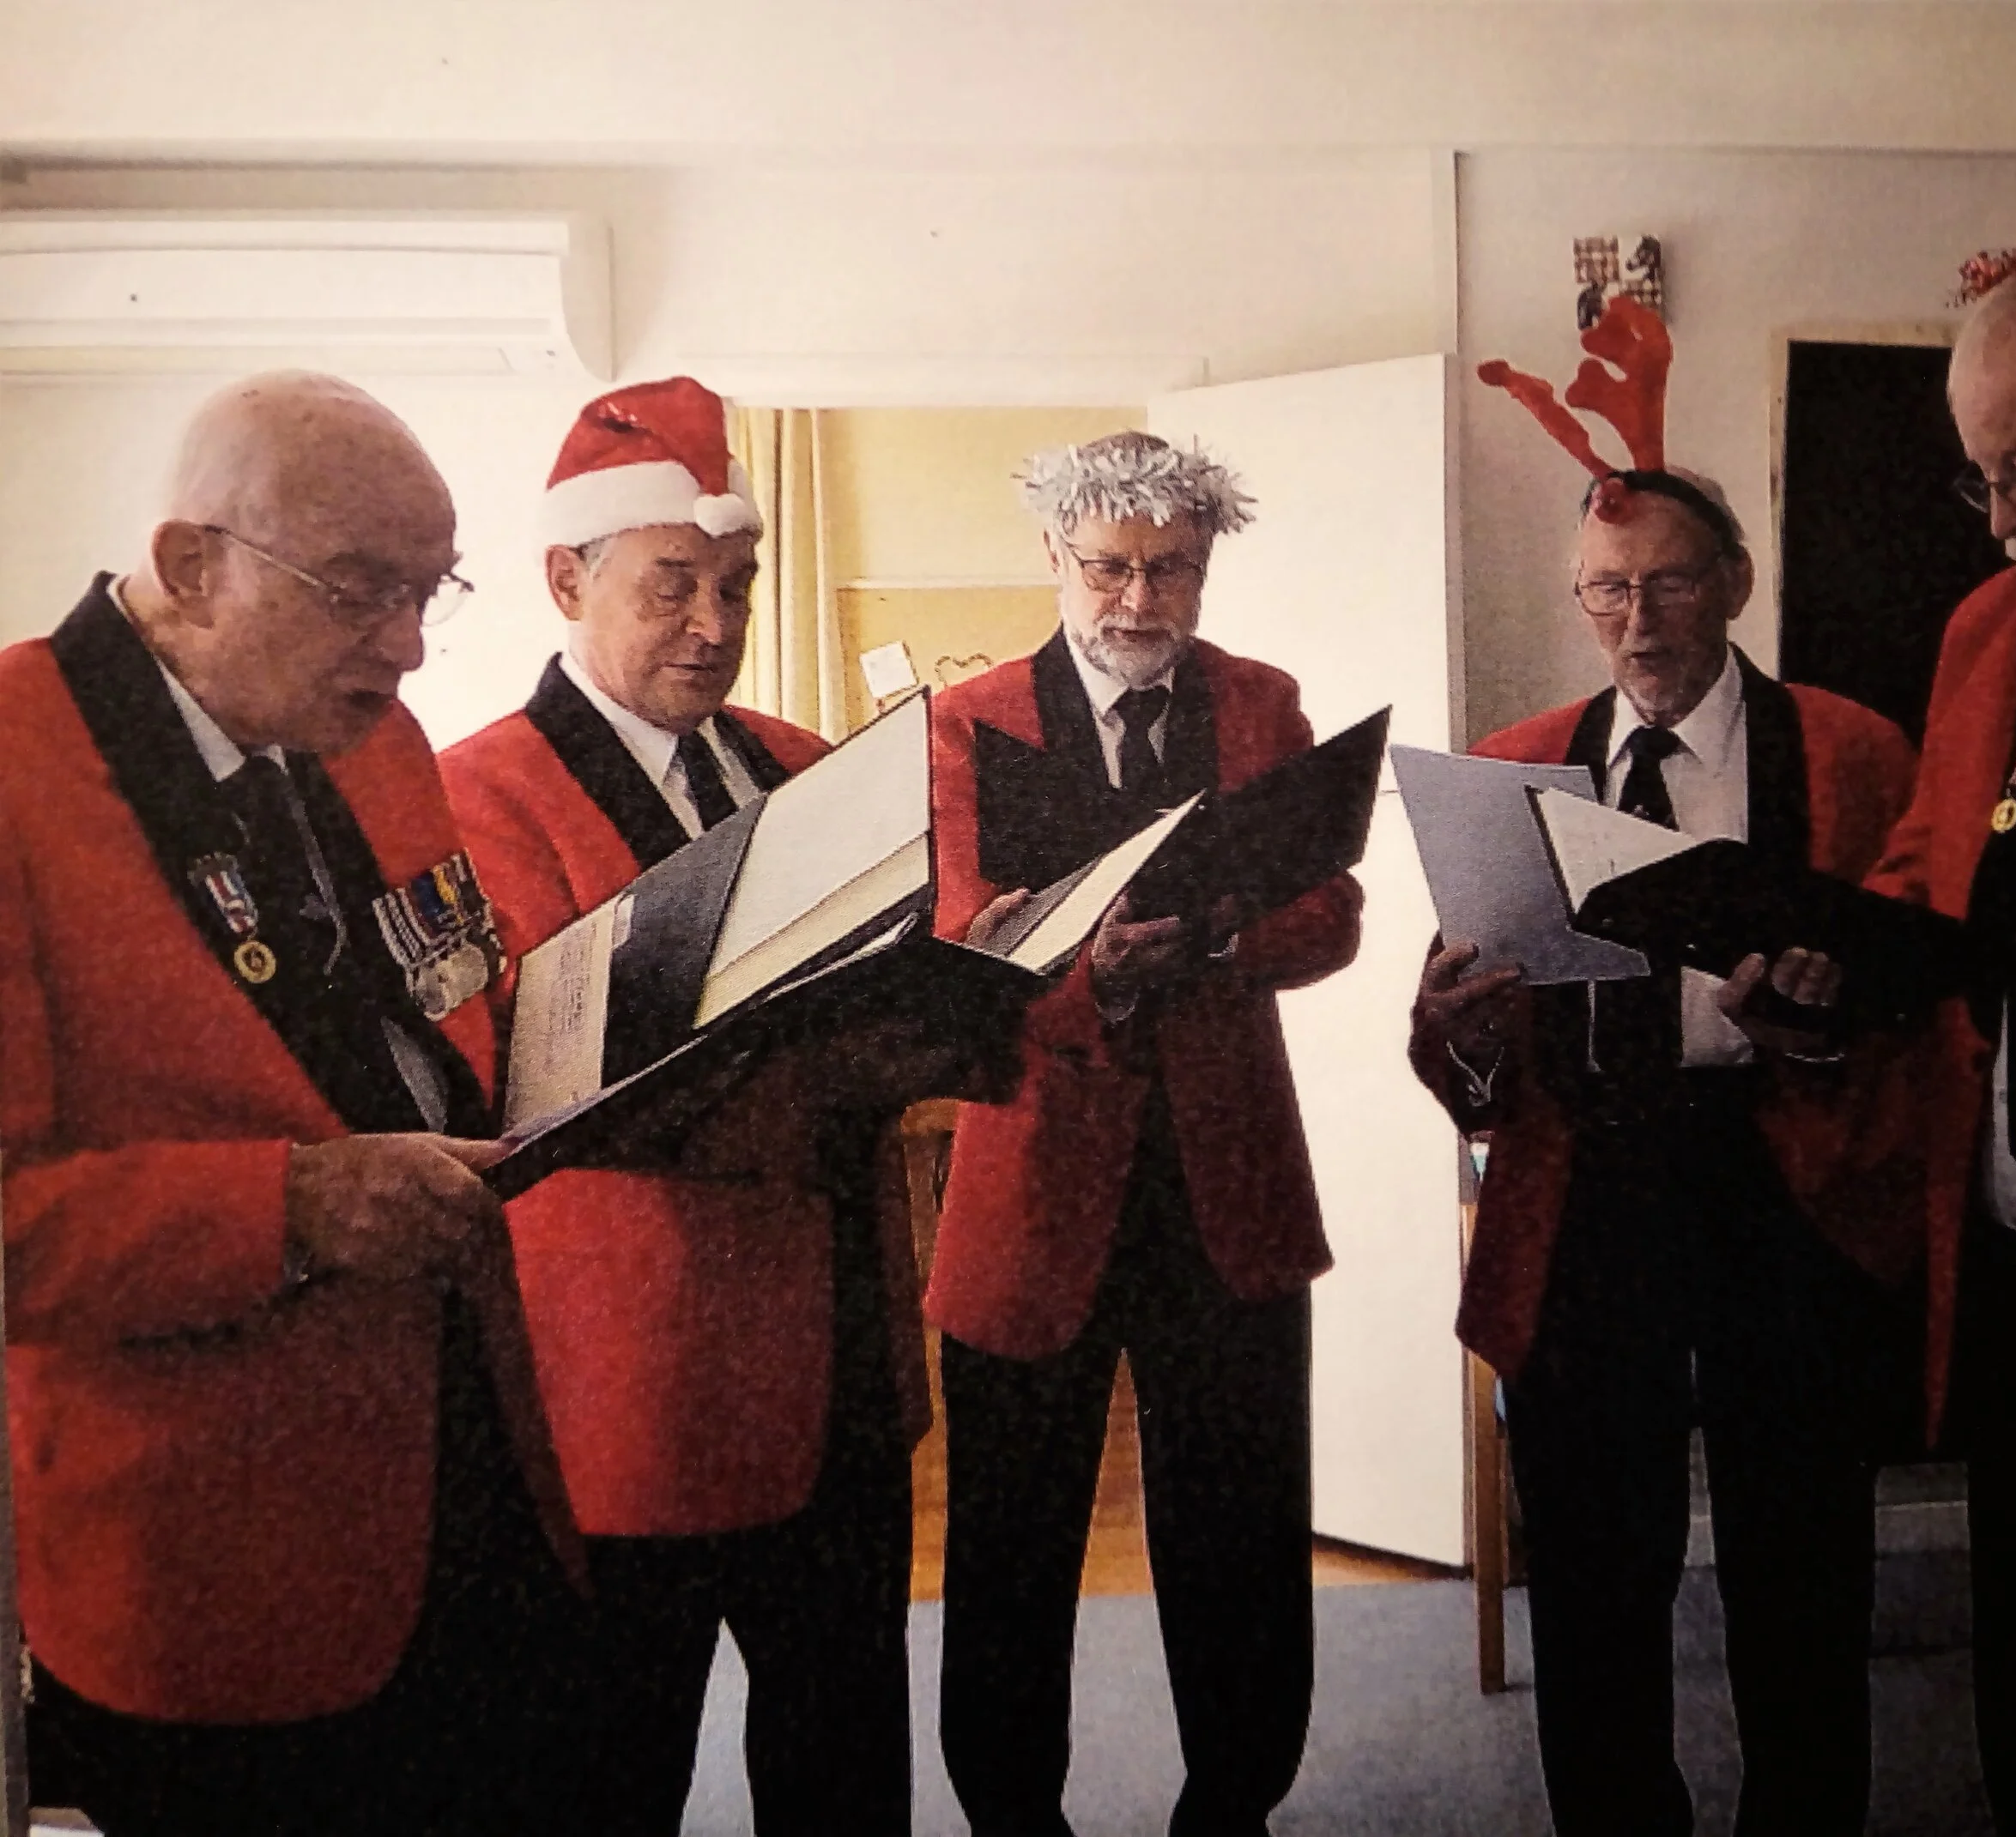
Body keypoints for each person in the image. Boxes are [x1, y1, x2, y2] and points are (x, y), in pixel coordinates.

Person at [0, 372, 590, 1836]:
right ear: (192, 566)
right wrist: (295, 1207)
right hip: (216, 1565)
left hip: (477, 1470)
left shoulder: (367, 730)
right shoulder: (14, 769)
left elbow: (445, 1009)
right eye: (357, 592)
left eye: (426, 592)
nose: (404, 647)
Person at [442, 376, 996, 1837]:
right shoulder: (479, 796)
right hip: (630, 1378)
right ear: (567, 577)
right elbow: (548, 1093)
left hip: (842, 1356)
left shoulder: (806, 765)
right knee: (614, 1771)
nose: (713, 622)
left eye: (736, 588)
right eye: (671, 585)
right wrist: (845, 1068)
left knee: (845, 1762)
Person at [1409, 469, 1919, 1837]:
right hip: (1587, 1191)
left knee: (1802, 1568)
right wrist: (1454, 1032)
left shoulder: (1854, 750)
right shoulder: (1513, 763)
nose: (1640, 622)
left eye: (1672, 581)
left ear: (1736, 584)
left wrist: (1816, 1029)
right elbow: (1464, 1066)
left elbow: (1920, 996)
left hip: (1784, 1182)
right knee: (1591, 1575)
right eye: (1608, 589)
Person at [927, 430, 1362, 1837]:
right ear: (1056, 560)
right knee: (1011, 1539)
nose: (1136, 600)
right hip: (1034, 1182)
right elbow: (953, 940)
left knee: (1238, 1534)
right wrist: (1090, 976)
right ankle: (1010, 1816)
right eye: (1109, 568)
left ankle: (1233, 1805)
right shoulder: (974, 717)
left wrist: (1224, 931)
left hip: (1225, 1187)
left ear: (1206, 564)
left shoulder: (1263, 702)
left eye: (1169, 569)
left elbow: (1331, 913)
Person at [1818, 242, 2016, 1834]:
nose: (2002, 514)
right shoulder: (1985, 633)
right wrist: (1822, 955)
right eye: (1981, 480)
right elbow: (1927, 866)